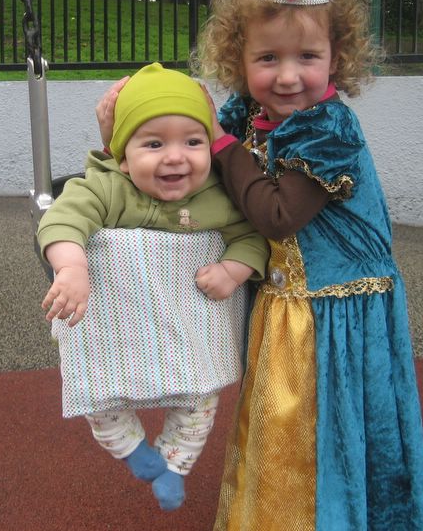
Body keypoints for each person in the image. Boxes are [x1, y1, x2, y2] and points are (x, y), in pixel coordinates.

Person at [96, 0, 423, 531]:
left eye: (308, 56)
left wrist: (220, 143)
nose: (287, 76)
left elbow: (276, 215)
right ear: (239, 59)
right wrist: (118, 135)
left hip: (336, 312)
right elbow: (188, 171)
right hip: (283, 305)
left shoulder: (330, 128)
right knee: (279, 436)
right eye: (268, 57)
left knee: (329, 435)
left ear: (336, 57)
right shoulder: (244, 116)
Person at [37, 62, 269, 512]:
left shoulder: (218, 196)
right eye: (154, 144)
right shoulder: (107, 187)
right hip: (118, 332)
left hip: (186, 331)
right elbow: (62, 220)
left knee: (201, 401)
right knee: (96, 396)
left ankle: (175, 463)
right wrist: (72, 266)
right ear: (123, 156)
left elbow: (252, 237)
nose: (176, 156)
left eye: (193, 141)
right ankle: (132, 450)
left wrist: (232, 270)